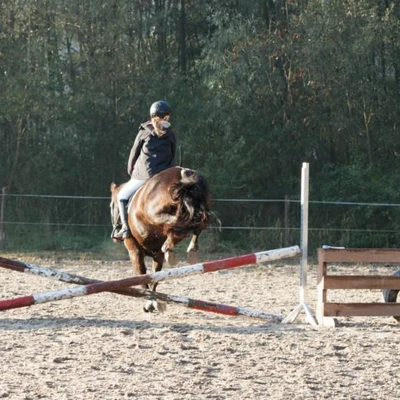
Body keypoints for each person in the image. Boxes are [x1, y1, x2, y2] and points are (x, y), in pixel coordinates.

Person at [114, 100, 177, 239]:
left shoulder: (144, 132)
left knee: (121, 197)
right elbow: (172, 155)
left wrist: (131, 171)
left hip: (144, 176)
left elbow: (134, 153)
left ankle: (124, 228)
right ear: (166, 116)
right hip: (163, 177)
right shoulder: (170, 134)